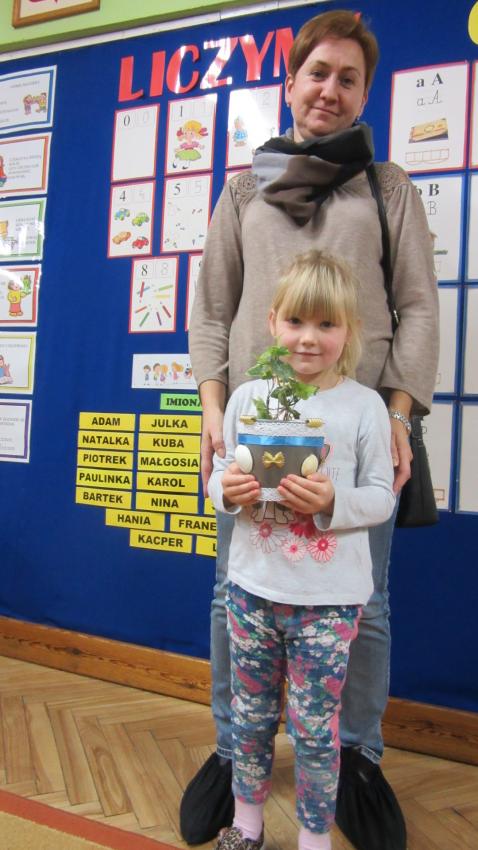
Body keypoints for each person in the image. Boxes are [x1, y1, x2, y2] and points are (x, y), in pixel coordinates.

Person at [186, 10, 439, 850]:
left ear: (365, 93)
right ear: (289, 82)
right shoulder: (242, 190)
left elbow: (418, 307)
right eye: (317, 73)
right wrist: (213, 407)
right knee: (234, 594)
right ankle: (235, 750)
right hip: (255, 427)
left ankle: (357, 756)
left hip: (359, 427)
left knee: (365, 604)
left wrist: (398, 413)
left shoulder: (386, 187)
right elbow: (212, 309)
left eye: (348, 78)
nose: (330, 89)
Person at [208, 249, 396, 850]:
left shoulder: (365, 406)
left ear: (350, 330)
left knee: (316, 731)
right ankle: (246, 824)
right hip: (251, 592)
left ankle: (314, 837)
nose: (308, 338)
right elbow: (218, 477)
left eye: (326, 324)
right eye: (295, 321)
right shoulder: (247, 398)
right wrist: (227, 492)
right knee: (250, 718)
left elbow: (382, 497)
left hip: (328, 603)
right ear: (272, 322)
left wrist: (333, 500)